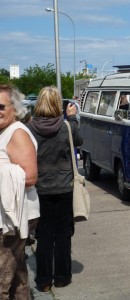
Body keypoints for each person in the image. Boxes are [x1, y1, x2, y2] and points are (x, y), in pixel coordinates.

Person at [26, 86, 83, 292]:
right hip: (64, 187)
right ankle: (62, 277)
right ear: (58, 104)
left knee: (44, 235)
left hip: (39, 188)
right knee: (63, 233)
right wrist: (73, 118)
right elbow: (79, 142)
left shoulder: (29, 128)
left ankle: (43, 280)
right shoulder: (67, 127)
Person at [0, 84, 39, 300]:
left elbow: (30, 176)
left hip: (12, 219)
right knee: (17, 277)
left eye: (1, 106)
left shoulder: (17, 133)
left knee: (2, 280)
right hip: (9, 215)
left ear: (14, 108)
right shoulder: (5, 131)